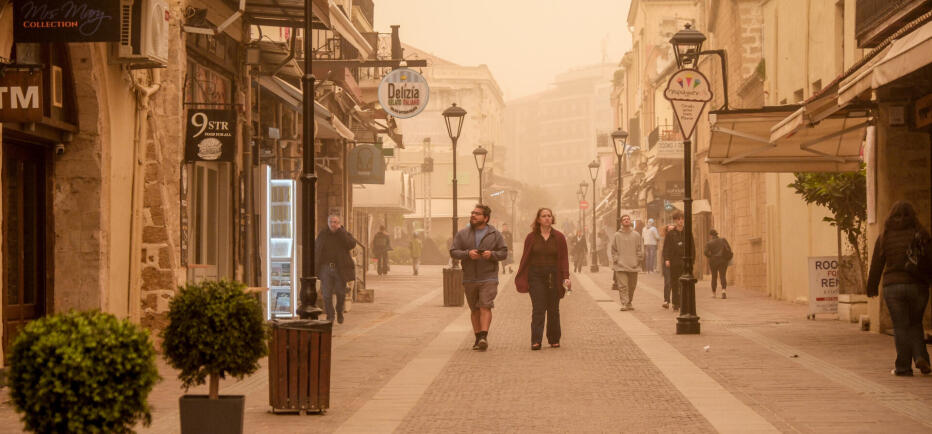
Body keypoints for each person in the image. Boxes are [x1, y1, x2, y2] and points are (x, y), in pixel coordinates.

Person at [867, 201, 932, 376]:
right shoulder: (921, 234)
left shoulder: (885, 236)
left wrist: (871, 287)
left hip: (893, 287)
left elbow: (876, 264)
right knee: (915, 323)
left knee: (901, 326)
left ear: (891, 216)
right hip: (918, 285)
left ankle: (903, 367)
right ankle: (921, 357)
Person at [450, 204, 508, 351]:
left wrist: (492, 255)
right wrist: (467, 254)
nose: (473, 215)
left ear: (486, 218)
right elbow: (453, 251)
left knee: (485, 305)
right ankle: (477, 338)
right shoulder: (463, 234)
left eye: (477, 214)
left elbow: (504, 253)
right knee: (474, 309)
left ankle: (483, 336)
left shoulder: (495, 234)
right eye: (473, 213)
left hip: (488, 276)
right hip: (469, 277)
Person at [515, 208, 571, 350]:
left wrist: (566, 277)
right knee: (538, 308)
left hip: (554, 275)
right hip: (536, 276)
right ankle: (536, 340)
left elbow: (564, 258)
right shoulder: (531, 237)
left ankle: (554, 339)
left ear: (552, 219)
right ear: (538, 219)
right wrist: (522, 276)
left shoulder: (559, 237)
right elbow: (525, 258)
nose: (547, 218)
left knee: (553, 309)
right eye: (543, 216)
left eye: (549, 216)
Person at [315, 215, 358, 324]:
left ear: (339, 223)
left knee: (340, 293)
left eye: (335, 222)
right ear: (328, 222)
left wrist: (341, 232)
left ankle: (339, 311)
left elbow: (351, 244)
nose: (333, 224)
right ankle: (330, 315)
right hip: (326, 268)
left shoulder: (343, 234)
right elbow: (317, 248)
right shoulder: (323, 234)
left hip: (340, 269)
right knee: (326, 294)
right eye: (330, 222)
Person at [662, 211, 693, 311]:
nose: (681, 221)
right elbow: (666, 247)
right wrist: (666, 259)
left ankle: (684, 302)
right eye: (678, 219)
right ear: (675, 221)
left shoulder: (688, 232)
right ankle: (676, 303)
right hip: (674, 261)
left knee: (685, 283)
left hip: (685, 262)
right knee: (675, 282)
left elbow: (692, 247)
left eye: (682, 219)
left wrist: (692, 260)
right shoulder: (671, 234)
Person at [612, 215, 644, 311]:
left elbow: (640, 248)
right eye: (624, 219)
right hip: (620, 266)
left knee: (632, 286)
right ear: (621, 222)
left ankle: (629, 302)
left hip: (633, 265)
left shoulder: (636, 235)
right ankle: (625, 303)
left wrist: (638, 259)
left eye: (628, 219)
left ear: (630, 221)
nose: (626, 221)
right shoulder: (617, 235)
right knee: (623, 286)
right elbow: (613, 249)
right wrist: (617, 259)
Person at [704, 229, 733, 299]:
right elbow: (729, 249)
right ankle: (723, 291)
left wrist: (710, 256)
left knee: (714, 276)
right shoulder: (723, 240)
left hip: (713, 261)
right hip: (723, 260)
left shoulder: (709, 243)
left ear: (711, 235)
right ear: (717, 234)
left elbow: (705, 252)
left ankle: (714, 293)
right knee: (722, 275)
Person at [660, 224, 676, 309]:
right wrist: (666, 259)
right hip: (668, 263)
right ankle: (666, 300)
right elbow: (664, 251)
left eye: (672, 229)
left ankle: (675, 301)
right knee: (668, 282)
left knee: (676, 283)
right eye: (669, 230)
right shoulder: (665, 239)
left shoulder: (678, 238)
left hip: (676, 263)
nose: (671, 231)